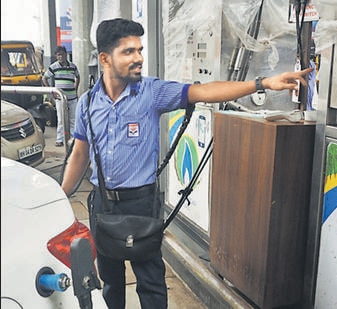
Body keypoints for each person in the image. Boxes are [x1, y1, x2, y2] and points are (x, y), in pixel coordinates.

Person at [60, 18, 313, 309]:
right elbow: (80, 154)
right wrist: (60, 195)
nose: (139, 58)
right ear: (105, 59)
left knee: (151, 282)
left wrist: (263, 82)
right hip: (103, 205)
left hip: (141, 204)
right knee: (111, 282)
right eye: (128, 52)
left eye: (140, 50)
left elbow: (204, 91)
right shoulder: (88, 103)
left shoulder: (152, 93)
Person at [42, 45, 80, 147]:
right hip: (60, 99)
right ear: (56, 56)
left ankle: (73, 139)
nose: (60, 57)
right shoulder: (54, 67)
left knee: (73, 119)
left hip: (72, 98)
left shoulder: (73, 66)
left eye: (62, 55)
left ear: (66, 54)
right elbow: (44, 78)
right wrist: (52, 91)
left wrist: (75, 89)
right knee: (61, 120)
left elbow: (78, 77)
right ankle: (60, 139)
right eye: (58, 55)